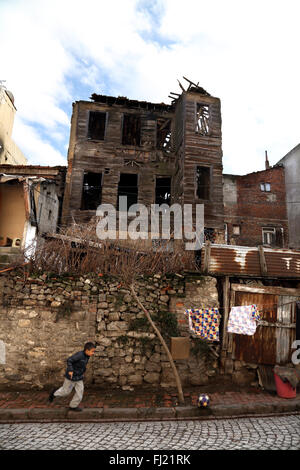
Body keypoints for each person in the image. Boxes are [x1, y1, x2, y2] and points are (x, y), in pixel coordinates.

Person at [48, 342, 96, 412]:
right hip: (71, 377)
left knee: (80, 392)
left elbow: (81, 365)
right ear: (87, 350)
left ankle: (73, 406)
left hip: (79, 377)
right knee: (66, 392)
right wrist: (70, 370)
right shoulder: (79, 355)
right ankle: (54, 393)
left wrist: (82, 372)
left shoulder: (87, 356)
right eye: (92, 351)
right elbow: (69, 360)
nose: (93, 353)